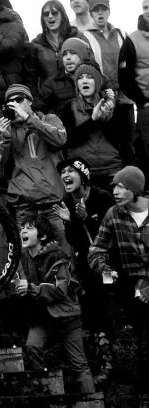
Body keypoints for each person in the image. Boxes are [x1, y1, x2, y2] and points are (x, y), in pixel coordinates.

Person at [88, 166, 149, 405]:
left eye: (121, 187)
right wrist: (103, 268)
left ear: (135, 190)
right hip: (131, 281)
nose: (115, 191)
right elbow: (96, 249)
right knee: (142, 335)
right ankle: (141, 391)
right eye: (114, 186)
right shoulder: (113, 214)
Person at [53, 157, 115, 384]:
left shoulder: (102, 198)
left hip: (108, 264)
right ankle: (100, 360)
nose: (65, 175)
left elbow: (112, 235)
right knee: (91, 307)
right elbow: (75, 241)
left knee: (108, 299)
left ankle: (111, 358)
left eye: (71, 171)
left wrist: (86, 219)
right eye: (63, 172)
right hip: (86, 265)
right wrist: (71, 223)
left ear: (84, 175)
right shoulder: (67, 201)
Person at [17, 215, 95, 394]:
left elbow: (60, 291)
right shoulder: (24, 258)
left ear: (42, 237)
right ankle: (44, 392)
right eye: (22, 228)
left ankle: (92, 401)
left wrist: (31, 288)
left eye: (29, 228)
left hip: (68, 318)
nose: (23, 231)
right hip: (43, 317)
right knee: (32, 347)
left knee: (79, 365)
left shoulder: (58, 256)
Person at [0, 84, 68, 244]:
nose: (15, 104)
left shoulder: (49, 119)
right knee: (29, 258)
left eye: (19, 100)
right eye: (10, 102)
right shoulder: (9, 131)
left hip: (53, 204)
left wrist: (29, 119)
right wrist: (5, 140)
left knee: (64, 254)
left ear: (30, 101)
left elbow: (60, 139)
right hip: (25, 206)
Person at [82, 0, 136, 168]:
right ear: (90, 13)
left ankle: (130, 183)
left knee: (128, 142)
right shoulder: (85, 37)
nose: (100, 13)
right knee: (111, 142)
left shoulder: (122, 34)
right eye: (96, 10)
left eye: (103, 9)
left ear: (109, 12)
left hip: (126, 98)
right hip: (103, 98)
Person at [61, 62, 124, 190]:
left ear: (98, 82)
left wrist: (105, 118)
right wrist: (93, 119)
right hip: (83, 172)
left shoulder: (114, 106)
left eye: (89, 77)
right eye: (80, 78)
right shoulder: (69, 108)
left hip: (113, 170)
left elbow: (122, 140)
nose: (84, 81)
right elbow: (68, 141)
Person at [120, 0, 149, 177]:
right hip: (146, 108)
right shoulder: (131, 40)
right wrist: (143, 101)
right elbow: (124, 78)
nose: (148, 11)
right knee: (146, 154)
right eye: (145, 7)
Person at [31, 0, 88, 89]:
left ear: (63, 15)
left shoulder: (78, 36)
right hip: (48, 97)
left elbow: (91, 65)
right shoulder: (36, 44)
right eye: (46, 14)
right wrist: (36, 100)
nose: (50, 16)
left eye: (54, 13)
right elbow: (31, 77)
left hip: (76, 93)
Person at [35, 37, 92, 116]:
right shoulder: (51, 84)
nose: (68, 57)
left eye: (73, 53)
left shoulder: (99, 79)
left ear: (83, 55)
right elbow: (39, 110)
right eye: (64, 54)